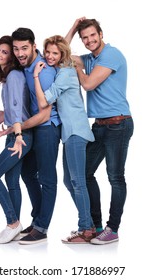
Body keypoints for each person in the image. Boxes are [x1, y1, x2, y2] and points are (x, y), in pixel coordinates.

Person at [65, 18, 134, 244]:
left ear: (101, 34)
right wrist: (73, 29)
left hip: (118, 124)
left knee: (115, 176)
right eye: (84, 37)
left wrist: (77, 68)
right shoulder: (89, 58)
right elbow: (59, 54)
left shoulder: (111, 55)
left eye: (92, 35)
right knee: (84, 174)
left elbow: (88, 85)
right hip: (99, 126)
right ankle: (95, 226)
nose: (89, 40)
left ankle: (112, 229)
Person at [33, 35, 96, 244]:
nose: (49, 57)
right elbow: (62, 44)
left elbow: (43, 102)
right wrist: (71, 28)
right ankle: (88, 224)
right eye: (48, 52)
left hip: (76, 131)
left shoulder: (66, 73)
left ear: (62, 55)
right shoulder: (61, 69)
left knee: (77, 182)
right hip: (69, 134)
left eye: (55, 53)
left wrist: (35, 77)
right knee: (70, 181)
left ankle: (86, 228)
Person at [10, 27, 61, 244]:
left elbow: (45, 113)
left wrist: (18, 127)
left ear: (33, 46)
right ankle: (37, 219)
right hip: (33, 129)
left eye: (24, 48)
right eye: (15, 49)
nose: (19, 53)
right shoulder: (26, 68)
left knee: (47, 179)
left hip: (48, 128)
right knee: (28, 173)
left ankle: (41, 228)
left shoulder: (44, 71)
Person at [0, 35, 35, 244]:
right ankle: (12, 227)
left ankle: (13, 223)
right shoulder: (9, 76)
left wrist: (18, 136)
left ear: (12, 57)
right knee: (12, 181)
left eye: (5, 52)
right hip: (14, 133)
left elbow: (17, 110)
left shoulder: (14, 75)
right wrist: (3, 115)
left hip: (20, 136)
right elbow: (17, 109)